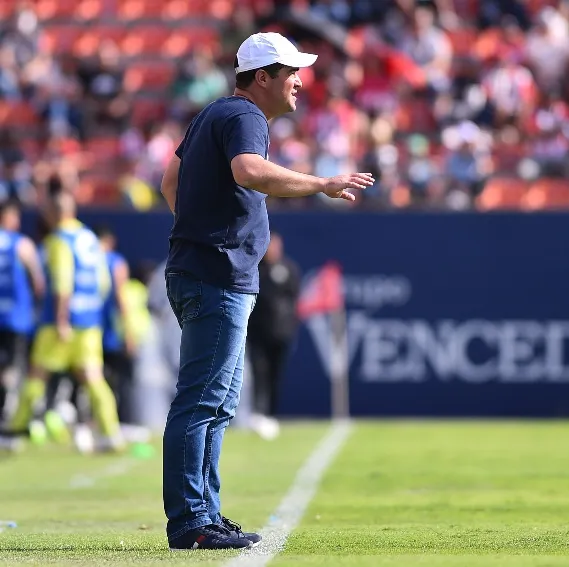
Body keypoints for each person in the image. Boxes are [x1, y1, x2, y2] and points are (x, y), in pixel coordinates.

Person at [158, 32, 373, 551]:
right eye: (291, 72)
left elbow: (171, 181)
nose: (301, 81)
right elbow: (248, 171)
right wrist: (320, 183)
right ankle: (191, 520)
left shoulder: (216, 113)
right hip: (217, 277)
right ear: (263, 77)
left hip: (206, 271)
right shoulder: (245, 117)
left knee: (216, 402)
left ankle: (203, 512)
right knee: (204, 401)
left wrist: (199, 229)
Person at [2, 193, 123, 451]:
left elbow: (62, 282)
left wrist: (60, 319)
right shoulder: (90, 238)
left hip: (61, 320)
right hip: (89, 321)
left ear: (54, 213)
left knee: (37, 375)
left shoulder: (58, 240)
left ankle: (13, 433)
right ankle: (111, 433)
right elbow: (103, 282)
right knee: (93, 378)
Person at [247, 232, 300, 423]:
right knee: (259, 372)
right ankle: (258, 413)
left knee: (275, 374)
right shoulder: (255, 269)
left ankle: (271, 414)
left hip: (281, 332)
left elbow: (294, 299)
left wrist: (289, 326)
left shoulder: (289, 269)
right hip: (258, 331)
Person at [0, 201, 44, 420]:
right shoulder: (21, 244)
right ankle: (11, 409)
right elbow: (38, 282)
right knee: (15, 366)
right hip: (15, 317)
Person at [95, 226, 136, 424]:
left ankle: (96, 422)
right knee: (121, 381)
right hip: (110, 331)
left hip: (89, 329)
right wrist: (128, 331)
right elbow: (121, 298)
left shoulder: (86, 259)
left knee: (93, 380)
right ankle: (122, 422)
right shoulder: (115, 262)